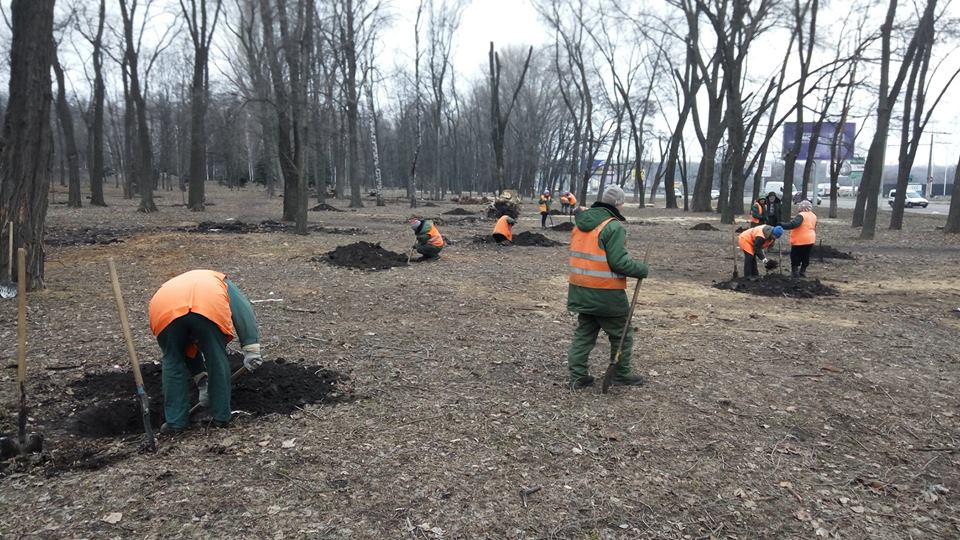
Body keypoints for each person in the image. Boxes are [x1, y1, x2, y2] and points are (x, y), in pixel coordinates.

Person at [148, 270, 263, 432]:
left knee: (173, 360)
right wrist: (251, 347)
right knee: (215, 356)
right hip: (207, 305)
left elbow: (186, 346)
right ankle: (221, 417)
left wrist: (202, 380)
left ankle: (175, 422)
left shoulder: (172, 285)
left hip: (163, 308)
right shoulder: (221, 281)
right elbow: (242, 309)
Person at [567, 185, 649, 390]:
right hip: (606, 293)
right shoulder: (613, 227)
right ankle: (621, 373)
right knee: (622, 333)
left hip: (580, 290)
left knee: (585, 333)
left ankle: (578, 377)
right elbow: (619, 263)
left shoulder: (580, 224)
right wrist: (641, 269)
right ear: (619, 204)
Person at [779, 199, 817, 278]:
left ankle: (795, 272)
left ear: (801, 207)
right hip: (810, 239)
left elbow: (793, 224)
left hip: (800, 240)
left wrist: (781, 225)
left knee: (795, 256)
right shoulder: (813, 215)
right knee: (805, 256)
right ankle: (802, 271)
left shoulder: (801, 215)